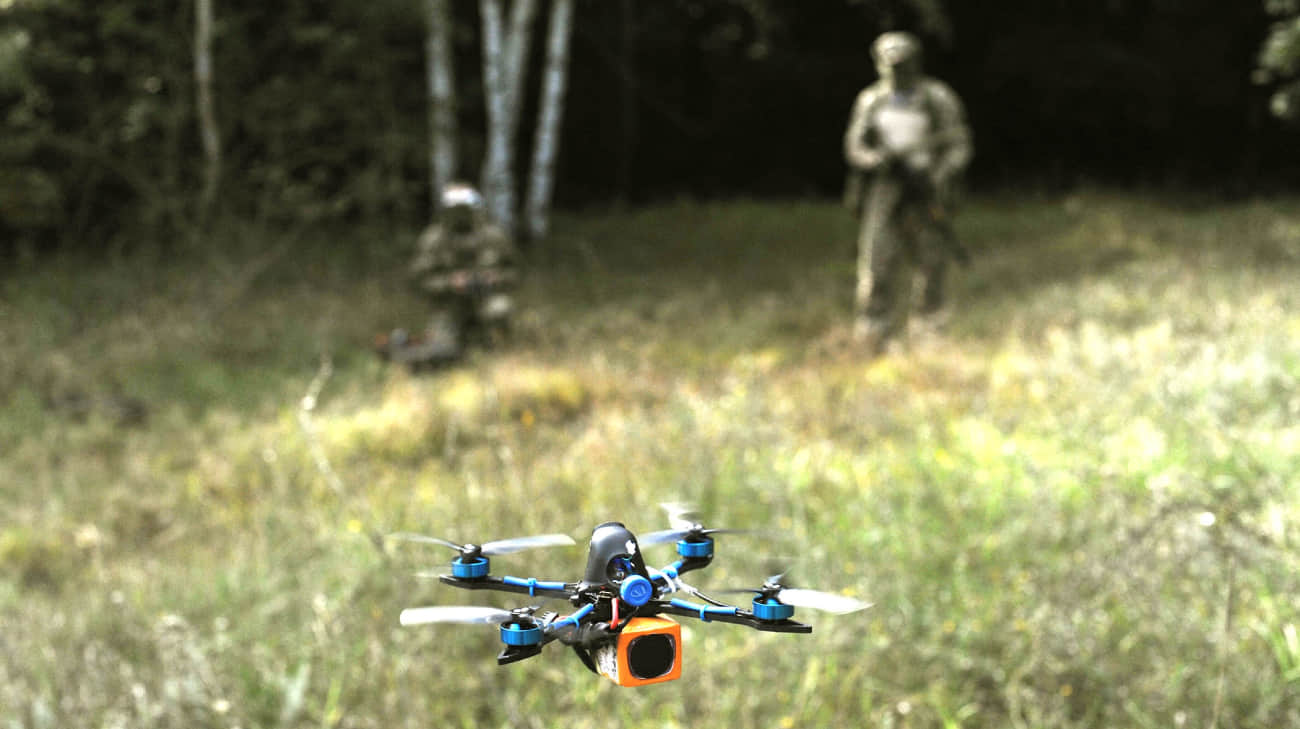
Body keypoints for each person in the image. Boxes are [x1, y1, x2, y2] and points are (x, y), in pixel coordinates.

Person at [843, 31, 973, 354]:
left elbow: (959, 144)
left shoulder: (936, 98)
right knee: (877, 260)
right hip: (884, 190)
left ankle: (930, 332)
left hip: (926, 190)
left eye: (903, 65)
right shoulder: (871, 101)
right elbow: (855, 146)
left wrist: (940, 174)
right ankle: (874, 333)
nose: (897, 72)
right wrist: (875, 160)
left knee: (931, 260)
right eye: (891, 66)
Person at [393, 182, 517, 364]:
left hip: (485, 301)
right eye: (456, 209)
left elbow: (514, 272)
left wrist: (495, 278)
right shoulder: (433, 240)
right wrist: (450, 283)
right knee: (442, 352)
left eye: (465, 208)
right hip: (449, 307)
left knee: (500, 309)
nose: (461, 215)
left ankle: (498, 349)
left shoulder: (493, 237)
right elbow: (418, 281)